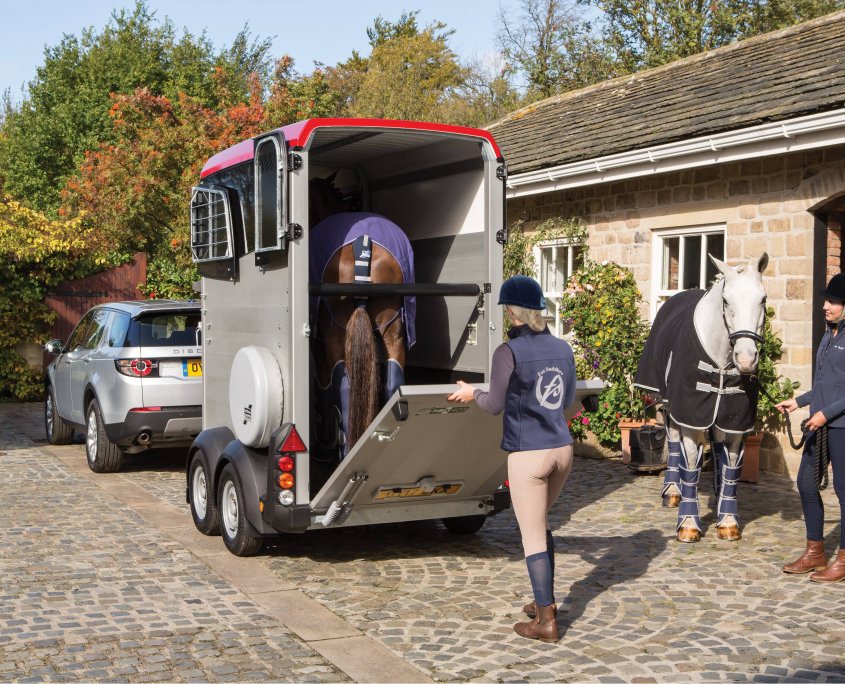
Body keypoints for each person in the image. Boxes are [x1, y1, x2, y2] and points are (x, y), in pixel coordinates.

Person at [448, 275, 576, 642]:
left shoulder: (508, 352)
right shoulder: (563, 348)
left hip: (529, 455)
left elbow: (495, 405)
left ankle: (546, 621)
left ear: (512, 313)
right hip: (562, 450)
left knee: (532, 534)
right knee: (542, 523)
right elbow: (565, 402)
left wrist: (473, 392)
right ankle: (542, 602)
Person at [775, 272, 845, 583]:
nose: (825, 306)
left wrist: (825, 414)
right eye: (825, 301)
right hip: (818, 422)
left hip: (841, 425)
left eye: (831, 301)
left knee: (844, 493)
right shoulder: (828, 334)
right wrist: (799, 402)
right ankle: (815, 551)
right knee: (805, 483)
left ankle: (843, 559)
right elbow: (823, 383)